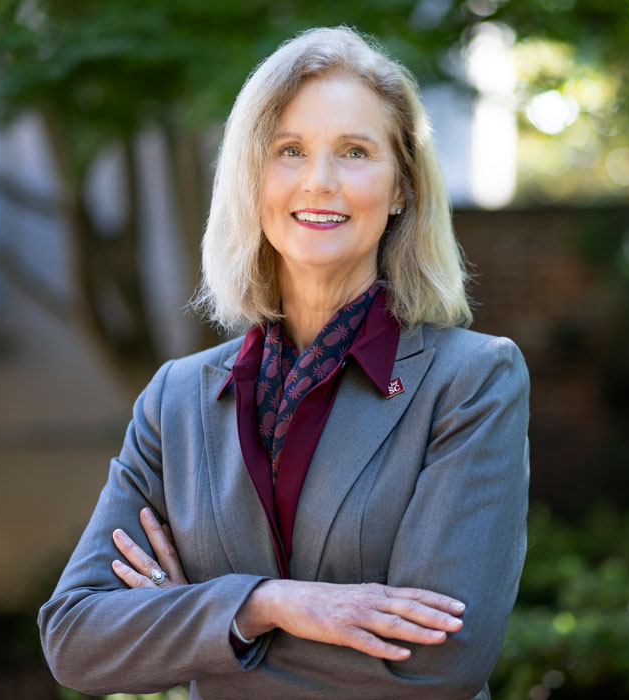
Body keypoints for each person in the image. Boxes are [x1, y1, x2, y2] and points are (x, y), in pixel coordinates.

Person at [38, 26, 529, 700]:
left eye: (355, 152)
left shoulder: (471, 382)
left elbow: (437, 664)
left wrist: (194, 620)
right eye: (289, 150)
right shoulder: (175, 400)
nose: (318, 182)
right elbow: (76, 640)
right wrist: (267, 604)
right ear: (253, 177)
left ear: (401, 189)